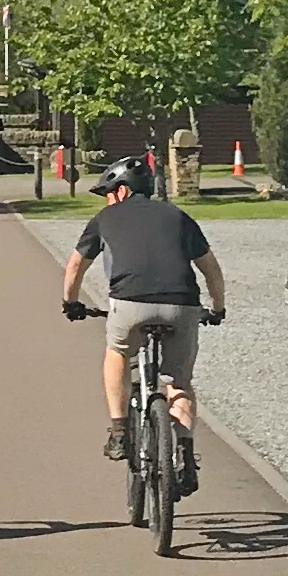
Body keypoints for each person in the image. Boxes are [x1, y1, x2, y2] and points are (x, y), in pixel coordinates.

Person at [63, 154, 225, 497]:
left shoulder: (105, 218)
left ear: (121, 191)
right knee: (178, 381)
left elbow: (76, 265)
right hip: (183, 304)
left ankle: (119, 431)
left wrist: (71, 303)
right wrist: (217, 308)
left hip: (130, 303)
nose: (107, 200)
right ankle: (183, 454)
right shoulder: (178, 216)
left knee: (118, 351)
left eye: (108, 192)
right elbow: (210, 268)